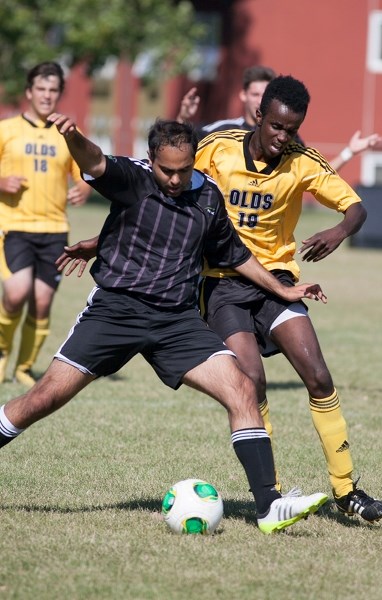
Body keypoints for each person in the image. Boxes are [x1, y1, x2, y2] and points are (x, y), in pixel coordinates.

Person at [0, 116, 329, 534]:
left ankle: (268, 506)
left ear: (194, 160)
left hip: (176, 320)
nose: (174, 179)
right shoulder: (132, 178)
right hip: (116, 311)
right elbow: (96, 161)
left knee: (242, 388)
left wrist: (281, 291)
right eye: (166, 170)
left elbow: (233, 253)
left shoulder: (208, 196)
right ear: (151, 159)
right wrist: (71, 135)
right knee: (43, 399)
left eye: (183, 169)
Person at [194, 75, 382, 523]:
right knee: (252, 382)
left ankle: (346, 491)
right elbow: (170, 176)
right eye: (277, 127)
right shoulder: (218, 147)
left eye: (293, 129)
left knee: (319, 376)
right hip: (222, 283)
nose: (284, 137)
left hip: (277, 281)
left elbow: (355, 207)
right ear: (259, 117)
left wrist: (339, 231)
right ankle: (273, 493)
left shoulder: (302, 160)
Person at [0, 61, 91, 387]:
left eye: (53, 90)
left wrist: (83, 187)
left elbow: (87, 170)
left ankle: (24, 367)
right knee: (16, 293)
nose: (46, 95)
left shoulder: (68, 132)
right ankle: (2, 354)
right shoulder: (6, 129)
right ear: (29, 92)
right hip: (14, 226)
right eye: (41, 88)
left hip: (54, 229)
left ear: (59, 94)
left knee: (41, 301)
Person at [177, 65, 380, 169]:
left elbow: (317, 175)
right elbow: (178, 151)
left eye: (264, 95)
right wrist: (183, 117)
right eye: (255, 94)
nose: (259, 100)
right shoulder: (221, 131)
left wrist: (349, 152)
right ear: (243, 95)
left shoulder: (286, 139)